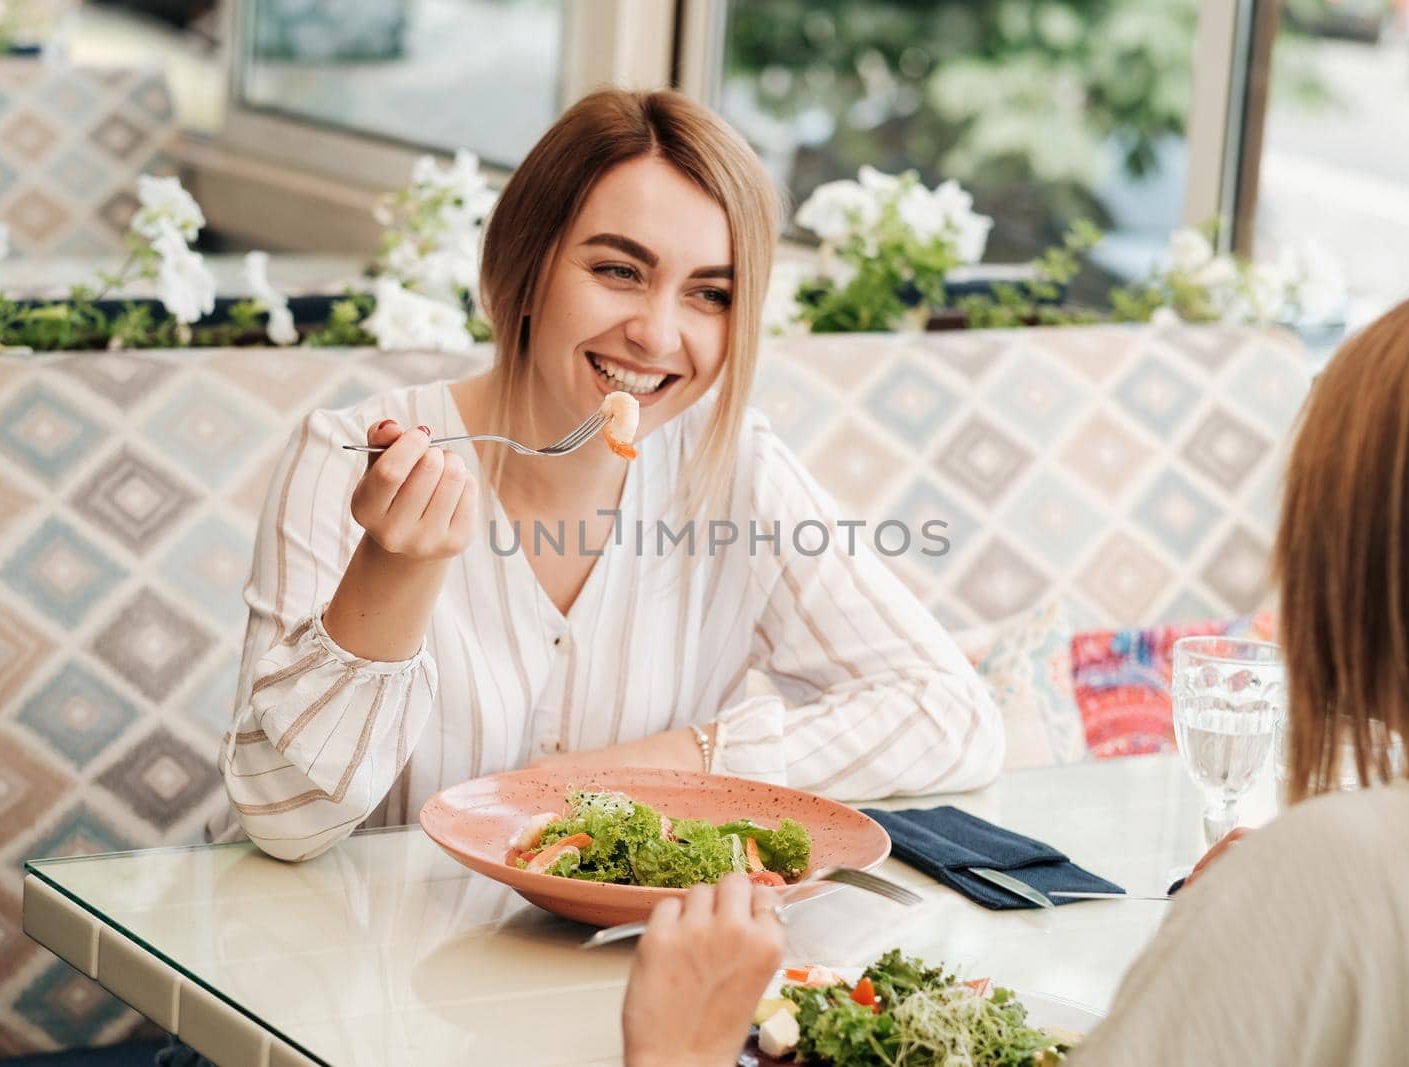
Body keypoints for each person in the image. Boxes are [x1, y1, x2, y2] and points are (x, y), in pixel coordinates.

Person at [621, 279, 1409, 1067]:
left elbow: (946, 713)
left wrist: (679, 1050)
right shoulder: (1327, 870)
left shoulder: (1332, 869)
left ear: (1370, 552)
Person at [209, 87, 1003, 861]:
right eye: (620, 271)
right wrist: (397, 568)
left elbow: (953, 717)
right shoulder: (353, 458)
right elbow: (284, 821)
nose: (657, 333)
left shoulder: (736, 472)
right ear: (527, 267)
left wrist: (663, 766)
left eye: (711, 293)